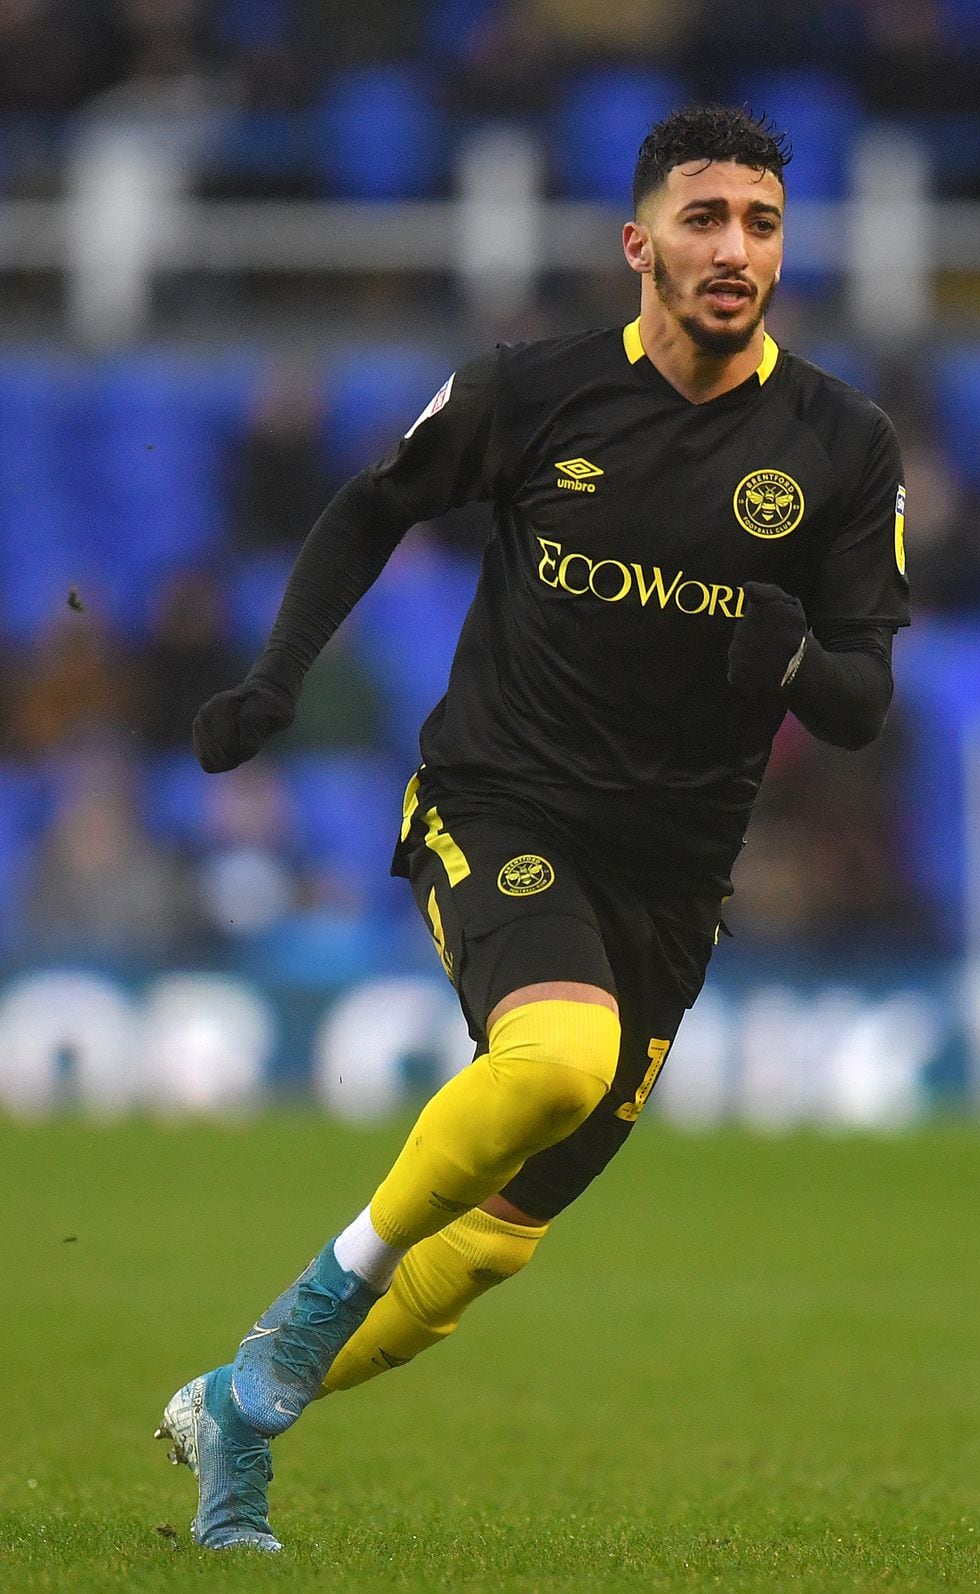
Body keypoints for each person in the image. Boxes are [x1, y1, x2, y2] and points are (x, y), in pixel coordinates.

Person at [156, 104, 910, 1551]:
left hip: (673, 879)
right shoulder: (532, 392)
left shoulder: (840, 442)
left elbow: (869, 696)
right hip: (499, 801)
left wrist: (799, 667)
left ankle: (238, 1405)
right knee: (556, 1055)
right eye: (703, 218)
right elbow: (370, 509)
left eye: (759, 222)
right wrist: (273, 679)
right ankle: (303, 1312)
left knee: (485, 1255)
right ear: (640, 245)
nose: (734, 247)